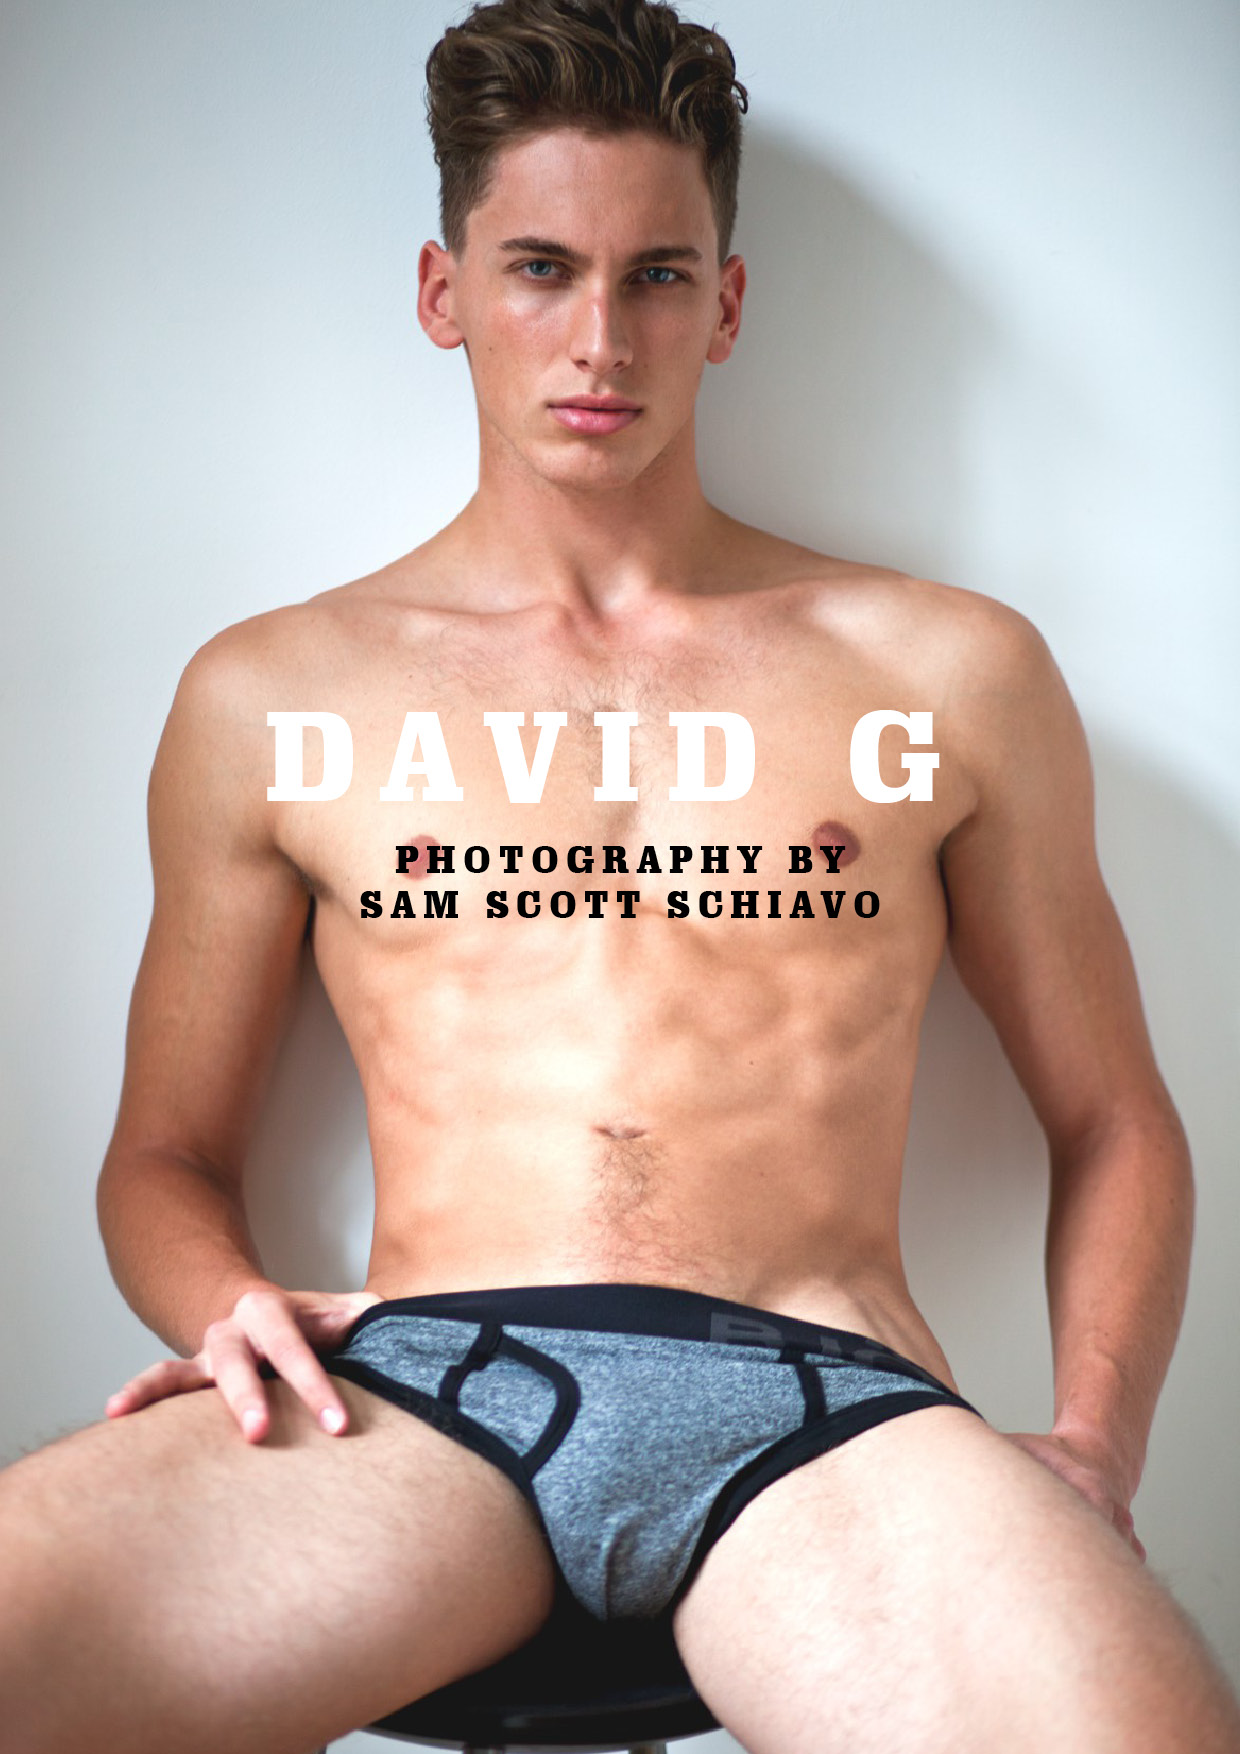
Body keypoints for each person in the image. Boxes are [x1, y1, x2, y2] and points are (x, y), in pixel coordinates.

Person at [2, 1, 1237, 1749]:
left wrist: (1095, 1439)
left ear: (724, 305)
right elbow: (163, 1154)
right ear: (443, 292)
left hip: (830, 1410)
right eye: (541, 269)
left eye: (657, 276)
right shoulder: (275, 695)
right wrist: (227, 1305)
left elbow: (1113, 1117)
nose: (601, 338)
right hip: (420, 1399)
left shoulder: (948, 674)